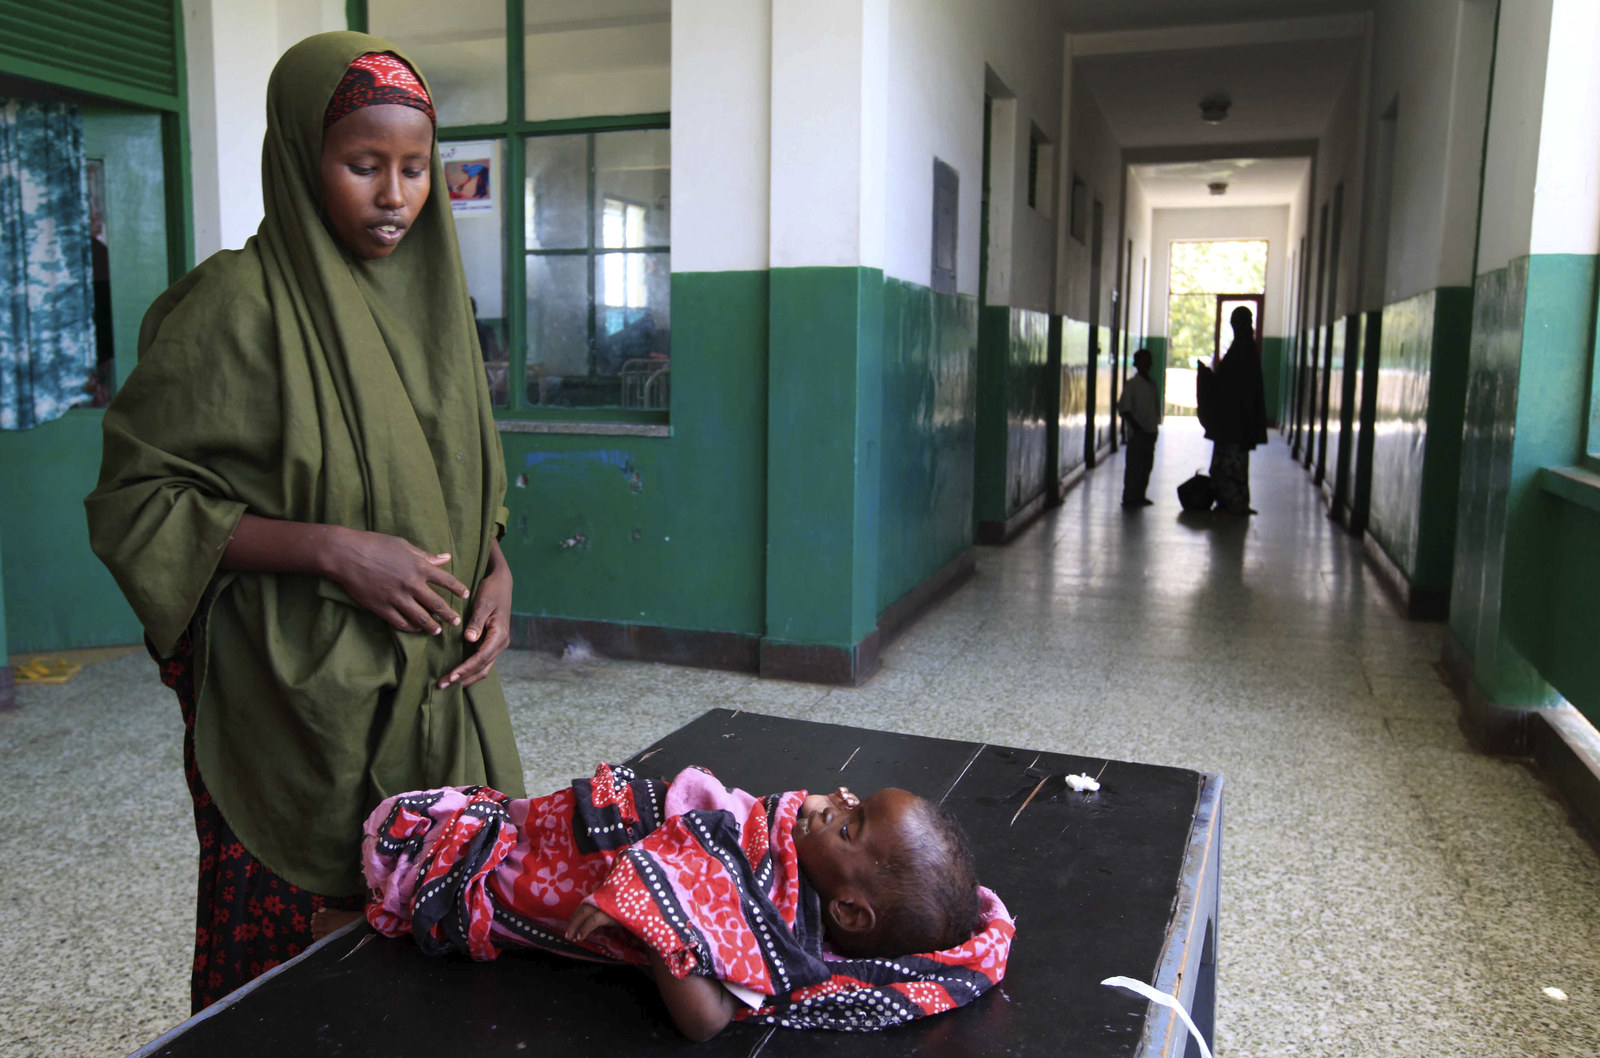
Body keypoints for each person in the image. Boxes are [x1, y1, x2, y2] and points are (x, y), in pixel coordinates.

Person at [84, 33, 525, 1012]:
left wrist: (495, 570)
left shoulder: (437, 302)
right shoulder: (233, 306)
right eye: (363, 164)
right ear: (296, 156)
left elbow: (459, 478)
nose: (396, 195)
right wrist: (331, 551)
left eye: (416, 169)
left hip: (435, 695)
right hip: (294, 708)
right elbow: (139, 500)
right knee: (292, 992)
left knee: (433, 955)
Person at [312, 763, 1015, 1039]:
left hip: (576, 885)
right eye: (852, 798)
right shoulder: (779, 849)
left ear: (850, 912)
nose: (833, 802)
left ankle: (353, 924)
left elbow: (704, 1020)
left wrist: (661, 900)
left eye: (850, 825)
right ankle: (365, 914)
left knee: (481, 882)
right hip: (585, 838)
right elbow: (712, 824)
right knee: (505, 833)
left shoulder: (779, 930)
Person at [1204, 306, 1269, 514]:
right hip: (1239, 422)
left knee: (1229, 464)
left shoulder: (1242, 350)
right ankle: (1235, 501)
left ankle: (1231, 502)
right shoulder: (1246, 348)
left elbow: (1233, 387)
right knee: (1235, 463)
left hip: (1234, 422)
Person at [1117, 347, 1162, 507]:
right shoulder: (1132, 385)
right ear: (1137, 363)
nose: (1147, 363)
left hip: (1150, 431)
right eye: (1143, 360)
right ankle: (1130, 496)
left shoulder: (1152, 384)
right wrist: (1136, 428)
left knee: (1146, 466)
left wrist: (1154, 427)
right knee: (1135, 466)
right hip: (1138, 433)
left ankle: (1140, 495)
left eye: (1148, 360)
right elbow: (1124, 410)